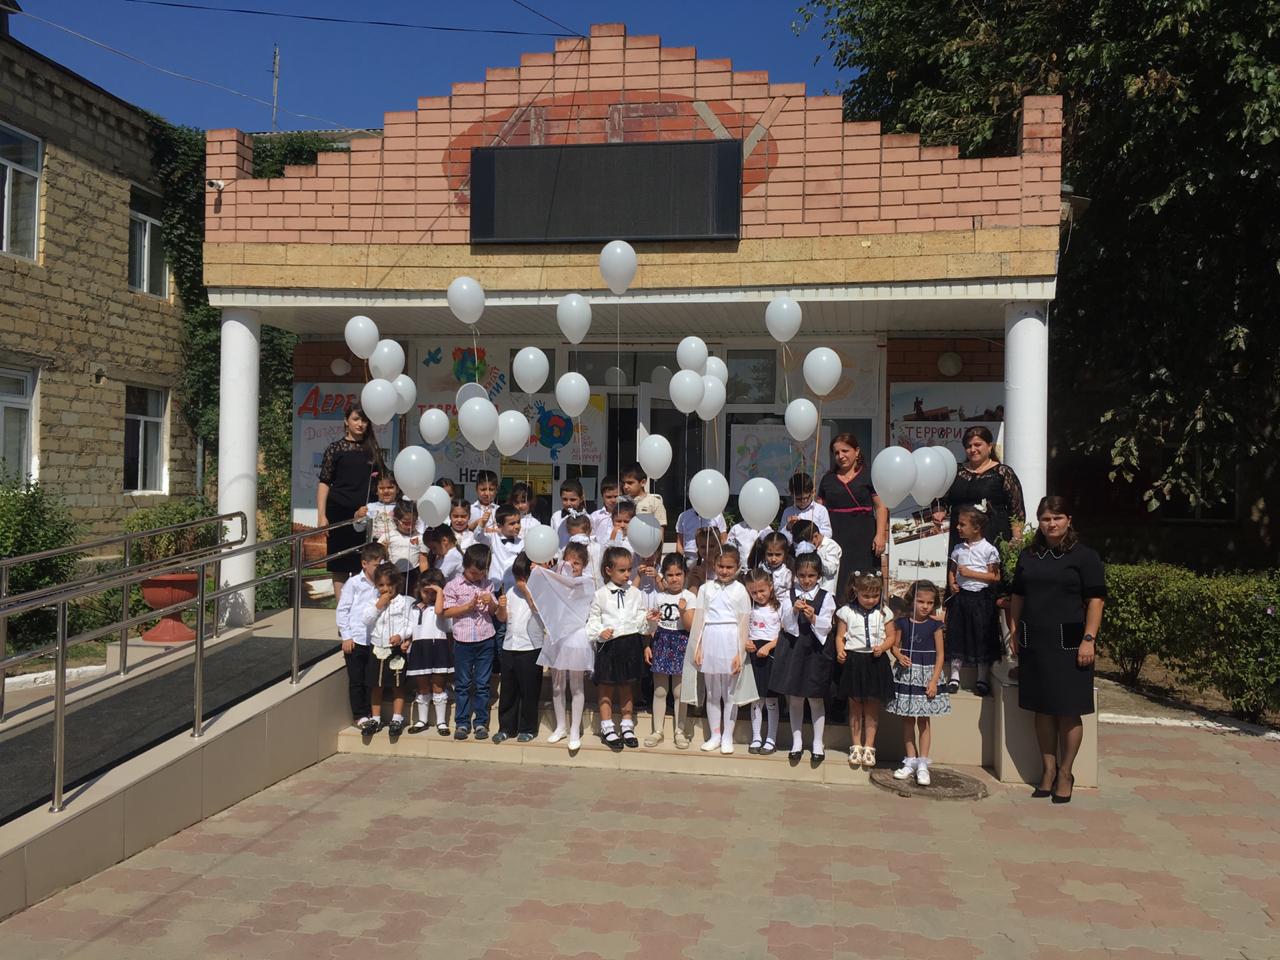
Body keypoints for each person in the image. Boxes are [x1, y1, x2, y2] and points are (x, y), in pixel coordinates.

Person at [1009, 496, 1106, 804]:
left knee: (1067, 710)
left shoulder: (1085, 557)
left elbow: (1096, 600)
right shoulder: (1029, 555)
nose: (1051, 524)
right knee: (1042, 708)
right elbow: (1017, 596)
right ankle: (1048, 770)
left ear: (1068, 520)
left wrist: (1089, 639)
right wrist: (1013, 631)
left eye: (1057, 518)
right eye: (1046, 519)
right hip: (1035, 641)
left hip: (1071, 643)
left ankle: (1066, 772)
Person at [770, 553, 836, 764]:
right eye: (802, 575)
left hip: (815, 651)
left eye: (811, 576)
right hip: (794, 649)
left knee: (815, 697)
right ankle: (796, 741)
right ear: (796, 575)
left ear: (819, 576)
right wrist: (794, 612)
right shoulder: (788, 595)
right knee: (796, 697)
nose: (807, 580)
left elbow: (827, 625)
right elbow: (785, 623)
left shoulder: (826, 596)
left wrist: (813, 617)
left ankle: (818, 742)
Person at [688, 545, 755, 755]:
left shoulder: (740, 590)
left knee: (730, 693)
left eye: (729, 567)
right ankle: (715, 734)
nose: (724, 571)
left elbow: (744, 623)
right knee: (712, 692)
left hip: (731, 640)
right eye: (721, 566)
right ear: (714, 565)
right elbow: (699, 619)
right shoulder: (706, 589)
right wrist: (698, 647)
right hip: (710, 638)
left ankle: (728, 736)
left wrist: (739, 653)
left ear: (737, 567)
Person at [530, 549, 595, 752]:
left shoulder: (587, 582)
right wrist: (540, 572)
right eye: (568, 562)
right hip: (557, 636)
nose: (572, 567)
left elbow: (572, 589)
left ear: (584, 565)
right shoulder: (555, 582)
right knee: (557, 685)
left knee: (577, 686)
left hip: (576, 637)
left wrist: (549, 574)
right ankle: (561, 727)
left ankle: (575, 729)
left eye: (577, 563)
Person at [586, 546, 649, 750]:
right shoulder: (600, 595)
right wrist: (600, 632)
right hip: (609, 646)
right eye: (622, 570)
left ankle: (627, 725)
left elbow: (640, 619)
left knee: (627, 687)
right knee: (606, 688)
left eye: (629, 569)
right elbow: (593, 620)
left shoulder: (635, 593)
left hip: (630, 644)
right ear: (608, 570)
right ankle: (607, 726)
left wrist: (649, 620)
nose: (627, 574)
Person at [888, 581, 950, 786]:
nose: (925, 606)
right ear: (911, 600)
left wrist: (934, 681)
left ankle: (923, 764)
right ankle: (910, 760)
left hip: (927, 675)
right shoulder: (902, 622)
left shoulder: (935, 625)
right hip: (907, 675)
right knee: (907, 720)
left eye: (930, 603)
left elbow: (940, 655)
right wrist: (899, 655)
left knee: (924, 720)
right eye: (921, 601)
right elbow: (894, 646)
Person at [317, 404, 383, 595]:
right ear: (346, 421)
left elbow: (382, 480)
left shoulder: (373, 450)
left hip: (365, 513)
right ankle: (342, 609)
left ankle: (361, 608)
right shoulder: (335, 449)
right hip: (339, 511)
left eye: (364, 420)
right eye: (356, 419)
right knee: (340, 564)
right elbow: (324, 482)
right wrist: (321, 515)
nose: (360, 424)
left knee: (363, 561)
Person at [442, 543, 505, 741]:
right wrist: (467, 607)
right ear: (465, 566)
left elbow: (493, 612)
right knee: (462, 683)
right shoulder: (453, 585)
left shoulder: (488, 584)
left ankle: (480, 723)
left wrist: (491, 602)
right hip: (463, 641)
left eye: (481, 573)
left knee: (482, 683)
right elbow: (447, 611)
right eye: (473, 573)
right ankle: (462, 722)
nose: (477, 577)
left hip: (486, 638)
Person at [833, 571, 895, 769]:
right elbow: (840, 636)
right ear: (856, 591)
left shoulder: (884, 612)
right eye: (866, 595)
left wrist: (883, 647)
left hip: (875, 661)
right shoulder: (846, 611)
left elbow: (891, 637)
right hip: (854, 661)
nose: (870, 600)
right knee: (855, 705)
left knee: (871, 706)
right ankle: (856, 745)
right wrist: (840, 651)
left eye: (875, 595)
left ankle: (869, 746)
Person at [933, 426, 1027, 550]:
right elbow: (940, 497)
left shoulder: (1003, 472)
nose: (973, 449)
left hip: (994, 538)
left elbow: (1017, 511)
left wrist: (1016, 540)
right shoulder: (955, 471)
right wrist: (938, 509)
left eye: (977, 445)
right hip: (960, 539)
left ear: (989, 446)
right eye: (969, 446)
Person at [817, 433, 889, 593]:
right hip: (836, 538)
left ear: (856, 451)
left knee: (865, 580)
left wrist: (880, 535)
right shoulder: (827, 479)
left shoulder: (870, 476)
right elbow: (819, 510)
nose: (840, 456)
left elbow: (880, 507)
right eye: (836, 453)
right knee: (838, 580)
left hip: (864, 538)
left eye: (845, 451)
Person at [945, 505, 1003, 695]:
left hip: (981, 599)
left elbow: (995, 576)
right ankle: (954, 676)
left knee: (981, 635)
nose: (958, 528)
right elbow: (952, 570)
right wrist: (952, 583)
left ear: (976, 528)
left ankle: (982, 677)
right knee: (957, 634)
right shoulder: (958, 548)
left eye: (962, 524)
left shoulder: (988, 549)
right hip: (962, 597)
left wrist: (971, 573)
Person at [336, 541, 389, 730]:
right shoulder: (353, 583)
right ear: (364, 564)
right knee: (357, 679)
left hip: (375, 639)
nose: (379, 568)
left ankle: (372, 713)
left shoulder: (384, 584)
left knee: (371, 679)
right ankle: (359, 715)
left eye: (381, 564)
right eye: (375, 565)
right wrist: (346, 636)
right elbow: (343, 610)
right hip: (357, 638)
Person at [644, 553, 695, 748]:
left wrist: (683, 611)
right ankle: (657, 730)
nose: (674, 579)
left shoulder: (690, 597)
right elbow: (651, 626)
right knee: (659, 690)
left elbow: (690, 626)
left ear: (685, 574)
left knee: (679, 692)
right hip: (661, 641)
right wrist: (647, 644)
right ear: (663, 576)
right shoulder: (659, 597)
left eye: (678, 574)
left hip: (682, 641)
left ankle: (679, 731)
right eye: (670, 575)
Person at [494, 552, 545, 744]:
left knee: (529, 690)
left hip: (531, 647)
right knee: (508, 690)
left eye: (523, 577)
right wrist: (500, 607)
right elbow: (502, 618)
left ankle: (528, 728)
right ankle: (506, 727)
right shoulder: (510, 591)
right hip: (509, 646)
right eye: (517, 577)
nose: (520, 581)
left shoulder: (541, 591)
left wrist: (527, 591)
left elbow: (540, 610)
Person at [358, 562, 414, 736]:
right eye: (381, 585)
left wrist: (401, 636)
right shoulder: (373, 601)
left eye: (389, 585)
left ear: (396, 583)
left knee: (397, 684)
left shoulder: (404, 602)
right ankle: (376, 718)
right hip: (377, 647)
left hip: (395, 649)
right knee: (376, 684)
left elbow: (410, 624)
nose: (385, 589)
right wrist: (378, 606)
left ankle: (397, 718)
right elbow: (366, 620)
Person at [406, 568, 452, 735]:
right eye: (426, 591)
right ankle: (422, 720)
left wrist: (440, 594)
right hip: (419, 648)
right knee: (423, 685)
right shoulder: (414, 607)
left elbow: (447, 624)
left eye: (434, 592)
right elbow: (409, 627)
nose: (429, 596)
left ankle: (441, 722)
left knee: (438, 685)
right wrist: (404, 638)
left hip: (438, 646)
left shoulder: (444, 607)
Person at [743, 567, 782, 755]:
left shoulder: (779, 607)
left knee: (771, 699)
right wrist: (746, 642)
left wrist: (769, 646)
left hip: (771, 653)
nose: (758, 595)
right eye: (754, 592)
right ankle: (756, 736)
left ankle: (771, 738)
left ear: (771, 587)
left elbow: (785, 633)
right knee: (756, 699)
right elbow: (743, 629)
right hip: (753, 652)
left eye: (762, 591)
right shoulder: (749, 608)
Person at [381, 502, 428, 589]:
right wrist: (383, 550)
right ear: (396, 521)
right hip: (392, 575)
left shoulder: (420, 537)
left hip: (413, 575)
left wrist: (425, 580)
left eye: (413, 523)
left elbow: (423, 561)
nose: (410, 527)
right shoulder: (387, 536)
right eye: (406, 523)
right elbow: (379, 558)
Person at [790, 519, 842, 596]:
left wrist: (815, 553)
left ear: (816, 536)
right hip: (804, 593)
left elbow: (831, 570)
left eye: (808, 543)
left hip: (824, 594)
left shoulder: (831, 546)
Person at [781, 472, 832, 541]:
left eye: (805, 498)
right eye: (798, 499)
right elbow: (781, 537)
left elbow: (828, 533)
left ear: (813, 492)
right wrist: (788, 527)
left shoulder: (820, 510)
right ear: (792, 495)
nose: (802, 502)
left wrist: (810, 531)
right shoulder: (788, 512)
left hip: (815, 546)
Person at [621, 461, 668, 532]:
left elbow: (660, 530)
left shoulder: (654, 502)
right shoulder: (621, 501)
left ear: (643, 482)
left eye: (630, 483)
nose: (625, 486)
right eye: (623, 483)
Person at [356, 474, 400, 542]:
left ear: (397, 490)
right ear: (376, 490)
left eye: (390, 487)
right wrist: (358, 516)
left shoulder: (402, 506)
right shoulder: (370, 507)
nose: (386, 491)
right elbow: (359, 529)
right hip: (375, 544)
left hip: (396, 543)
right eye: (381, 488)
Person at [752, 530, 794, 602]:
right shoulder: (760, 569)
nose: (773, 559)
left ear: (785, 553)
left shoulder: (787, 574)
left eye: (778, 555)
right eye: (770, 554)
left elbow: (789, 596)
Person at [551, 478, 587, 548]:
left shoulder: (587, 518)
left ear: (581, 499)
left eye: (573, 500)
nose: (568, 503)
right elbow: (553, 539)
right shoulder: (556, 517)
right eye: (565, 499)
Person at [591, 476, 620, 545]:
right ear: (602, 497)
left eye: (616, 496)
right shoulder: (595, 516)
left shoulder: (626, 516)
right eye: (609, 497)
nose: (613, 500)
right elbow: (591, 537)